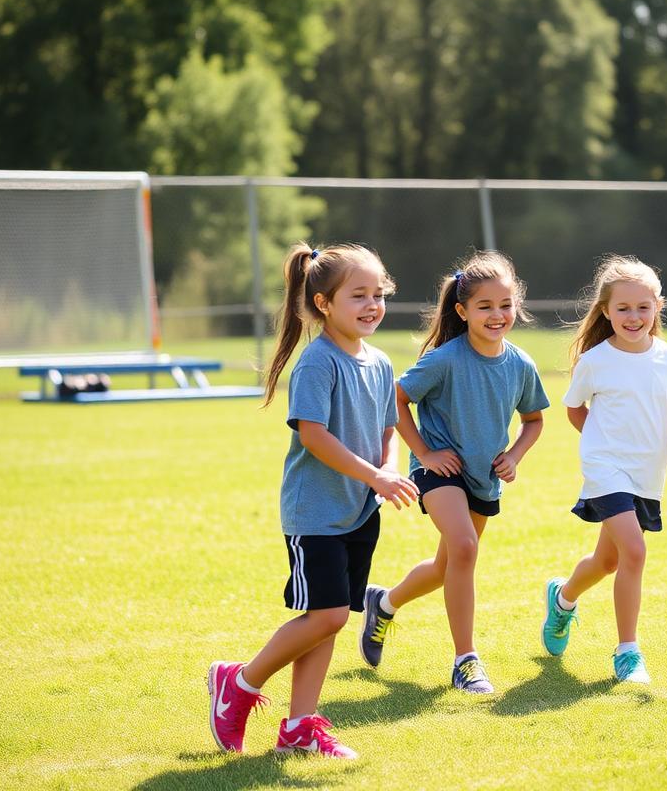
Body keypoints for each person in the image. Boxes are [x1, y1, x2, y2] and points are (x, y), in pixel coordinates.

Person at [207, 243, 418, 758]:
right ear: (323, 303)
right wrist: (375, 474)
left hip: (359, 511)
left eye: (378, 294)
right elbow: (314, 435)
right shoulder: (319, 362)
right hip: (315, 514)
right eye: (358, 296)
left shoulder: (379, 360)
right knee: (325, 617)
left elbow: (388, 428)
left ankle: (300, 726)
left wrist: (386, 468)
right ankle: (240, 684)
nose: (372, 305)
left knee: (330, 616)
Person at [357, 250, 549, 694]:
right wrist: (424, 453)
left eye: (505, 305)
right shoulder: (445, 359)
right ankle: (466, 661)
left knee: (449, 564)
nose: (497, 315)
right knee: (464, 548)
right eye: (484, 306)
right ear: (462, 311)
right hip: (438, 471)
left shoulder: (520, 364)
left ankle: (382, 603)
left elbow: (534, 420)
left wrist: (515, 456)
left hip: (484, 477)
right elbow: (396, 400)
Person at [540, 255, 667, 684]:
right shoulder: (595, 361)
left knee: (608, 561)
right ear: (605, 311)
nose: (633, 317)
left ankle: (562, 599)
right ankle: (628, 653)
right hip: (605, 468)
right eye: (623, 309)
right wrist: (600, 448)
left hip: (647, 473)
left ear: (658, 306)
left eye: (643, 308)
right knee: (635, 551)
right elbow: (575, 409)